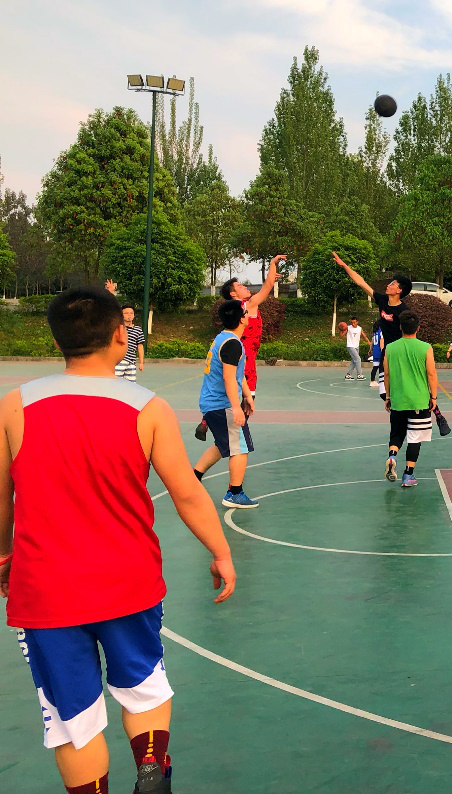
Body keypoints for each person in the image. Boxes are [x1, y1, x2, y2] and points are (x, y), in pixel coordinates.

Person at [1, 286, 236, 794]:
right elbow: (187, 494)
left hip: (45, 588)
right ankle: (151, 772)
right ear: (118, 337)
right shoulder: (148, 407)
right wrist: (221, 552)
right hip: (128, 581)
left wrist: (4, 557)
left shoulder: (13, 407)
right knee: (143, 687)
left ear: (57, 341)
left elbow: (2, 500)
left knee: (74, 720)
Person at [194, 255, 284, 441]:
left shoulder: (236, 313)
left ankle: (207, 421)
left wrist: (271, 274)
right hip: (245, 364)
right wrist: (272, 265)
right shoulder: (247, 306)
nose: (245, 287)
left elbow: (267, 284)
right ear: (233, 295)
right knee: (239, 426)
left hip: (239, 361)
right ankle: (226, 432)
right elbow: (267, 287)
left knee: (229, 412)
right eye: (240, 286)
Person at [192, 301, 259, 508]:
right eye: (245, 312)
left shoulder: (223, 338)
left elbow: (237, 374)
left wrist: (247, 395)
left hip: (214, 403)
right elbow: (229, 378)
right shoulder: (232, 344)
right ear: (241, 319)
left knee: (223, 445)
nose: (248, 314)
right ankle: (234, 493)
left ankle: (193, 478)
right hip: (221, 404)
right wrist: (236, 407)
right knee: (240, 448)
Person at [333, 251, 411, 402]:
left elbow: (409, 335)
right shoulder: (382, 300)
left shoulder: (404, 311)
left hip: (400, 353)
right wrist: (344, 265)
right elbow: (361, 282)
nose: (388, 285)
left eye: (392, 284)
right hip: (386, 352)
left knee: (400, 392)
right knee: (384, 394)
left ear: (399, 290)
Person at [382, 312, 438, 488]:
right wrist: (433, 396)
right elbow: (431, 373)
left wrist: (388, 396)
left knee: (397, 433)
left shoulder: (390, 348)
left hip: (398, 399)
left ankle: (392, 456)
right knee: (414, 438)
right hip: (419, 401)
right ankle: (408, 475)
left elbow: (387, 374)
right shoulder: (425, 347)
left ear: (400, 327)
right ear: (418, 328)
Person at [103, 281, 145, 382]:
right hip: (119, 362)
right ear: (121, 315)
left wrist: (141, 362)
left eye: (131, 313)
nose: (129, 315)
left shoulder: (138, 330)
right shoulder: (118, 327)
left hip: (131, 363)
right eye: (126, 313)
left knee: (131, 385)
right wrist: (111, 293)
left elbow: (140, 346)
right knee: (116, 384)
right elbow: (112, 309)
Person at [368, 321, 384, 389]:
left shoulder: (375, 333)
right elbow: (381, 343)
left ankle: (372, 381)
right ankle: (382, 381)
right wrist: (383, 351)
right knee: (382, 367)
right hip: (379, 351)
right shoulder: (381, 332)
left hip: (375, 351)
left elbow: (372, 343)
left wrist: (370, 350)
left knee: (375, 367)